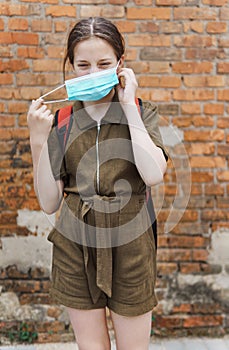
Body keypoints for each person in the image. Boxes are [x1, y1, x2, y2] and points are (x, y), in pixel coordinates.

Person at [27, 17, 167, 350]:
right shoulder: (61, 121)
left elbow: (153, 174)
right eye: (83, 65)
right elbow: (49, 202)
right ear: (71, 67)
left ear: (120, 63)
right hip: (75, 243)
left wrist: (130, 105)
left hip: (131, 243)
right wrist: (37, 140)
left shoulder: (144, 114)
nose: (93, 74)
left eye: (103, 64)